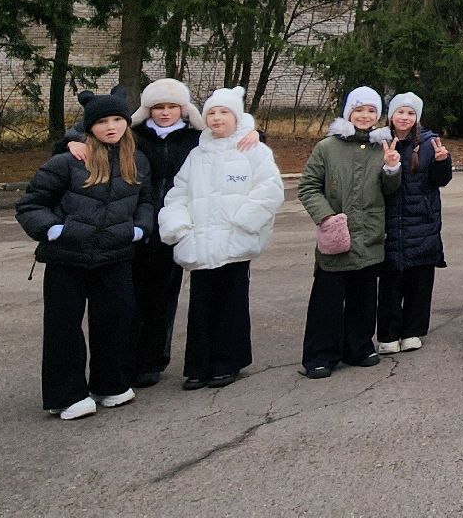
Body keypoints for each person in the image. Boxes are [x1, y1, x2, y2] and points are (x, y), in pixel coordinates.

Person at [60, 77, 256, 387]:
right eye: (158, 107)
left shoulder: (196, 138)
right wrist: (69, 141)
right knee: (127, 301)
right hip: (134, 225)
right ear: (148, 109)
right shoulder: (134, 136)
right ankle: (122, 363)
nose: (165, 113)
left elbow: (231, 133)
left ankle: (152, 361)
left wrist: (254, 132)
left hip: (173, 228)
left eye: (172, 106)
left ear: (183, 109)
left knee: (162, 300)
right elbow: (95, 131)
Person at [16, 87, 156, 420]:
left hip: (116, 255)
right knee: (63, 327)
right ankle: (68, 395)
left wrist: (139, 229)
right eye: (103, 121)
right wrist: (54, 230)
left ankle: (109, 385)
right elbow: (30, 204)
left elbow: (146, 202)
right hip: (68, 258)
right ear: (90, 126)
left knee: (115, 321)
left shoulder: (136, 160)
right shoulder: (68, 161)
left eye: (118, 120)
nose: (111, 127)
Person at [156, 87, 283, 389]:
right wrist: (180, 231)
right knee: (201, 306)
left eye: (223, 112)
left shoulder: (253, 150)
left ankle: (228, 362)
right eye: (211, 112)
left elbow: (269, 190)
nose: (216, 118)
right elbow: (178, 194)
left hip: (234, 242)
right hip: (200, 244)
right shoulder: (196, 155)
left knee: (232, 303)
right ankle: (199, 365)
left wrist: (243, 224)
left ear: (236, 117)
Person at [298, 87, 403, 378]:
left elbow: (389, 191)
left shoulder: (380, 147)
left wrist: (392, 168)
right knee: (327, 299)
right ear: (349, 113)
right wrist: (326, 217)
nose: (365, 116)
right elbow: (308, 187)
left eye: (371, 111)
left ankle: (358, 347)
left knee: (364, 296)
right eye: (359, 110)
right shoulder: (327, 148)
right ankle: (320, 355)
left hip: (369, 234)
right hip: (336, 235)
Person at [378, 93, 452, 354]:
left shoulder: (430, 143)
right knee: (390, 280)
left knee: (419, 281)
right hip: (389, 222)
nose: (405, 118)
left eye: (411, 113)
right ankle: (387, 334)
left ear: (417, 117)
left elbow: (440, 181)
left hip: (422, 222)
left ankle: (413, 331)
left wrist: (443, 162)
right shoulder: (380, 142)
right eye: (400, 112)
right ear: (391, 115)